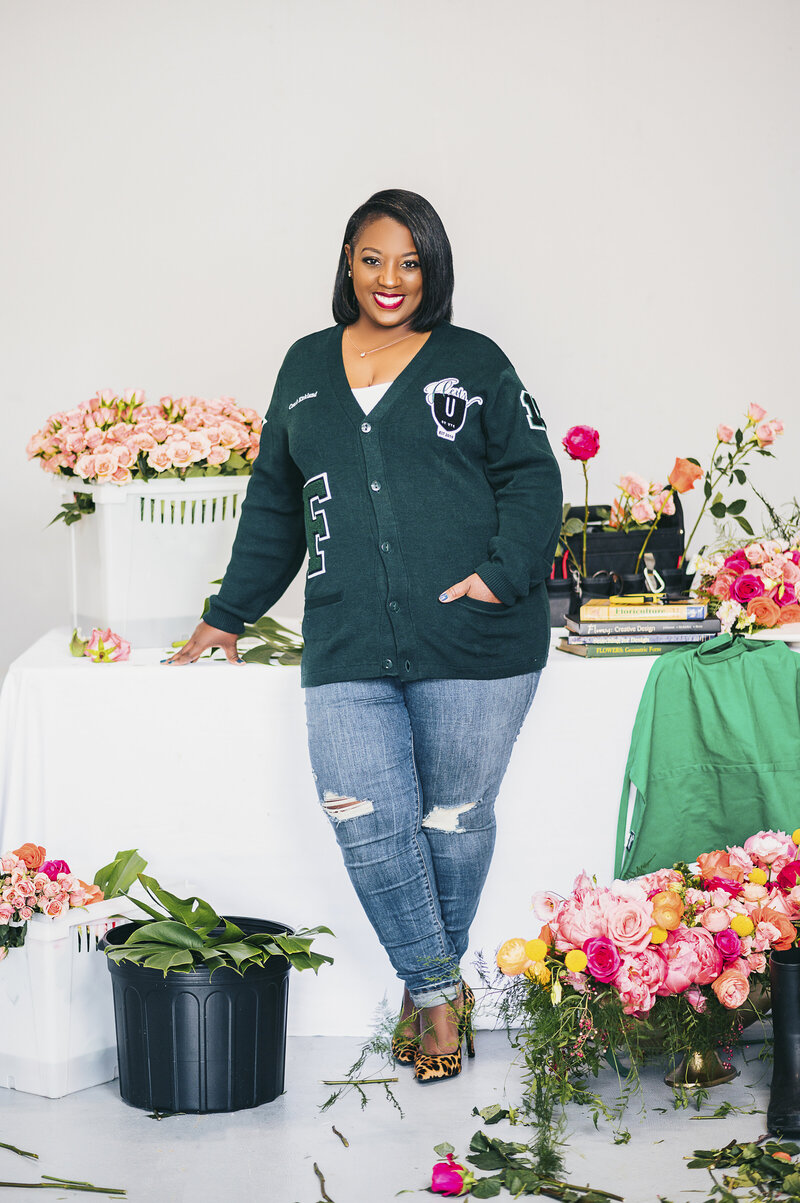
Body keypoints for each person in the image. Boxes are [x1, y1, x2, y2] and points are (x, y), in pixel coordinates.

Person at [168, 189, 563, 1082]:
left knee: (453, 822)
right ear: (348, 260)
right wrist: (227, 613)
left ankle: (431, 1005)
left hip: (476, 640)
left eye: (411, 261)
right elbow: (273, 498)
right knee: (369, 822)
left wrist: (500, 577)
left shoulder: (474, 360)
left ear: (434, 269)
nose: (392, 279)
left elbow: (535, 479)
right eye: (375, 258)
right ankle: (437, 992)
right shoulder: (305, 364)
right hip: (344, 638)